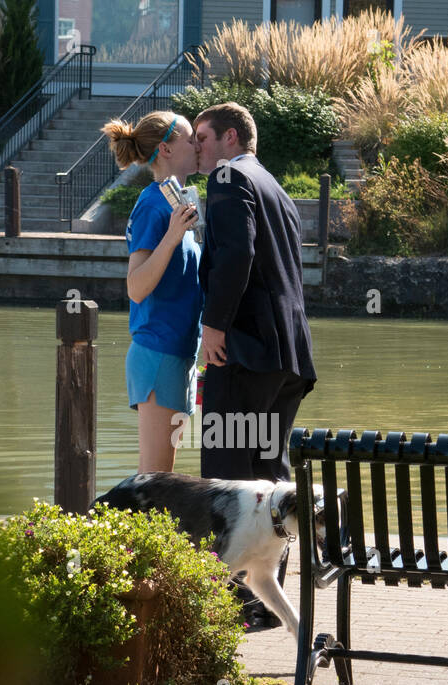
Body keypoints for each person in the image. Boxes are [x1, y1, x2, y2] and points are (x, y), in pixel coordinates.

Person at [193, 102, 318, 628]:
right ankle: (267, 606)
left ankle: (230, 608)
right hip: (286, 358)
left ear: (229, 137)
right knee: (269, 478)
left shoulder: (227, 176)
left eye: (201, 136)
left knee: (225, 476)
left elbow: (237, 256)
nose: (195, 147)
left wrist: (214, 326)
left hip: (243, 350)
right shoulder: (274, 185)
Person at [101, 110, 202, 473]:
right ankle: (123, 532)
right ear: (167, 149)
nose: (198, 145)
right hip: (158, 351)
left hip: (178, 351)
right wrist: (173, 237)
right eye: (191, 139)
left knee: (163, 476)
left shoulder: (180, 200)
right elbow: (136, 287)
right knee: (156, 478)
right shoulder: (151, 203)